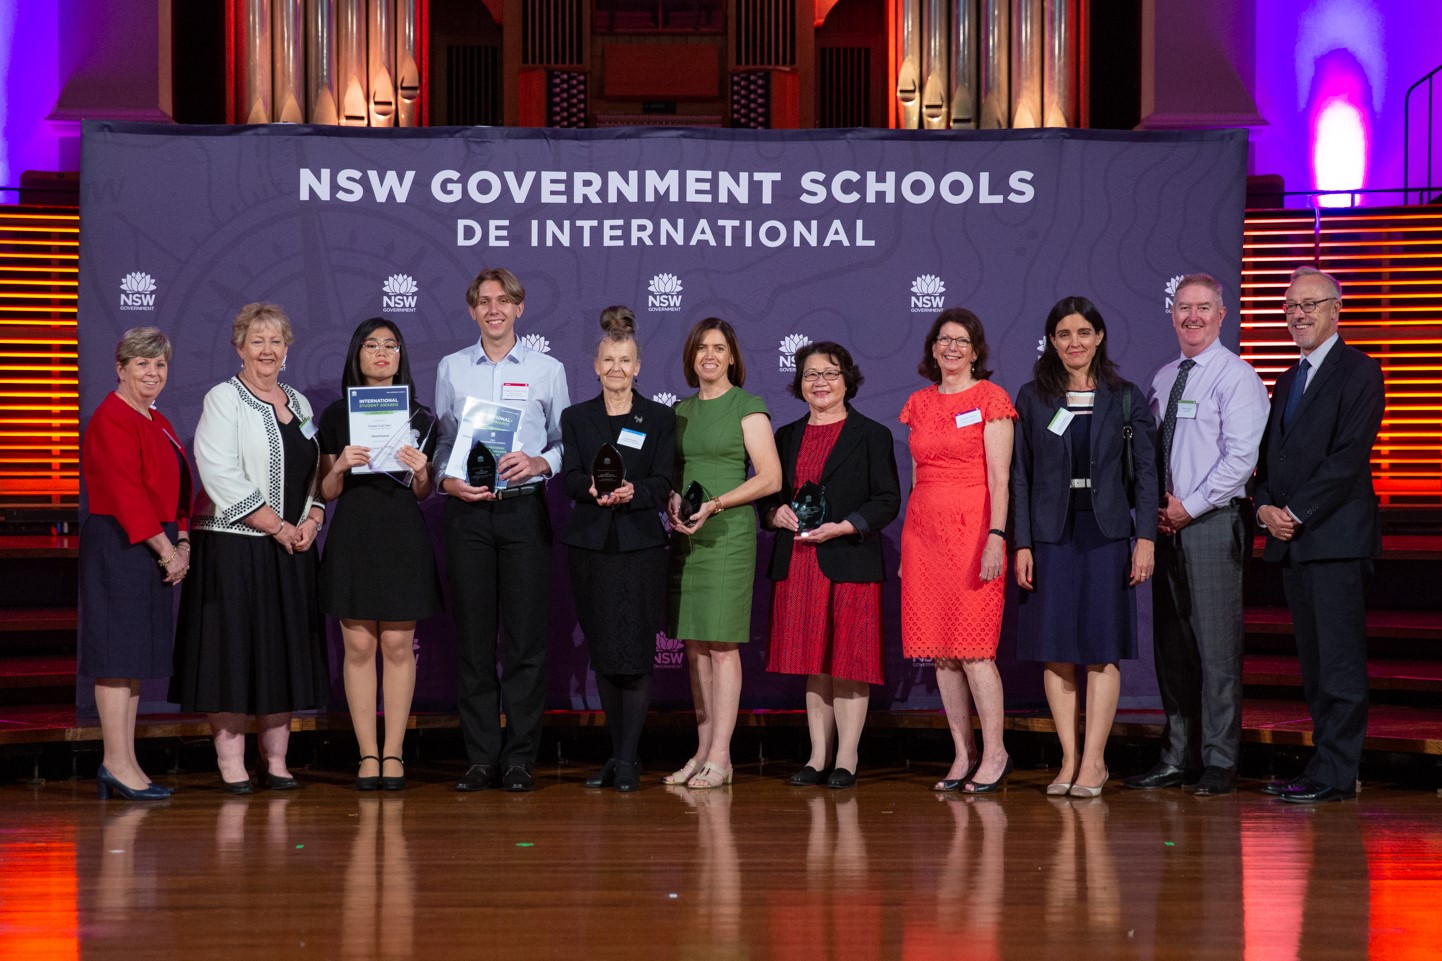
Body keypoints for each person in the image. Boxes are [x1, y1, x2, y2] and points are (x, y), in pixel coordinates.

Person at [172, 302, 329, 794]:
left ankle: (277, 760)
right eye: (256, 340)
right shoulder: (224, 398)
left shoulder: (300, 404)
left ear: (288, 348)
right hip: (234, 548)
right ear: (239, 347)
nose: (267, 349)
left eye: (275, 340)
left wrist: (312, 520)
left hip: (290, 550)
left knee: (281, 653)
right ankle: (232, 762)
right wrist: (277, 527)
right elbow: (219, 472)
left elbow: (315, 476)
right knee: (232, 654)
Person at [1125, 274, 1268, 797]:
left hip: (1210, 524)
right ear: (1171, 313)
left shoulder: (1237, 377)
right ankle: (1177, 755)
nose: (1192, 317)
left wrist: (1190, 507)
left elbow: (1241, 459)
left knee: (1217, 649)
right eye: (1183, 307)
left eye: (1203, 308)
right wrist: (1158, 510)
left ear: (1222, 314)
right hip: (1166, 528)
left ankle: (1220, 760)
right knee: (1173, 647)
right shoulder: (1164, 378)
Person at [1012, 296, 1158, 798]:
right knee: (1056, 653)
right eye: (1063, 334)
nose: (1074, 343)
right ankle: (1068, 759)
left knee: (1101, 651)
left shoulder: (1125, 397)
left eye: (1083, 333)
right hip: (1051, 536)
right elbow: (1020, 478)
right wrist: (1022, 543)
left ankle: (1095, 761)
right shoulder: (1032, 397)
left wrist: (1145, 538)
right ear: (1052, 342)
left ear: (1098, 338)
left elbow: (1146, 476)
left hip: (1107, 534)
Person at [434, 267, 570, 793]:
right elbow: (443, 443)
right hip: (467, 515)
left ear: (519, 308)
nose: (493, 309)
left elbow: (563, 441)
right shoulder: (451, 367)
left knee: (525, 642)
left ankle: (519, 759)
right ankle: (480, 758)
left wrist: (540, 465)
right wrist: (447, 480)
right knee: (472, 642)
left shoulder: (547, 369)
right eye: (483, 301)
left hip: (522, 513)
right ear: (472, 311)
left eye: (503, 300)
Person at [1254, 266, 1384, 804]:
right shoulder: (1287, 378)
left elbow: (1347, 459)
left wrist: (1296, 511)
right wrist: (1264, 507)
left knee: (1340, 665)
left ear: (1336, 310)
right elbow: (1267, 458)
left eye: (1310, 304)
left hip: (1334, 541)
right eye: (1291, 307)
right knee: (1313, 664)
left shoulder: (1360, 372)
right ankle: (1322, 765)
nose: (1299, 315)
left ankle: (1336, 773)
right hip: (1292, 542)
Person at [762, 342, 900, 789]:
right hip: (799, 562)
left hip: (850, 560)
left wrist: (845, 526)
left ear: (848, 380)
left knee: (850, 661)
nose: (820, 382)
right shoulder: (785, 436)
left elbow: (887, 500)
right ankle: (817, 757)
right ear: (799, 384)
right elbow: (767, 495)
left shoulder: (871, 434)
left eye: (830, 373)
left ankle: (847, 759)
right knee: (814, 662)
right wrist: (773, 513)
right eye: (810, 375)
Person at [317, 317, 442, 791]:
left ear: (400, 356)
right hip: (353, 533)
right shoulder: (334, 415)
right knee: (359, 645)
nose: (382, 352)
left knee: (395, 645)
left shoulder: (421, 415)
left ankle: (395, 753)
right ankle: (367, 754)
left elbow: (423, 492)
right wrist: (343, 465)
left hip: (401, 534)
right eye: (372, 345)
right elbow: (326, 491)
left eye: (391, 345)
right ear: (358, 354)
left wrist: (422, 470)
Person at [899, 309, 1016, 793]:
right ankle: (962, 754)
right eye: (943, 339)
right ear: (932, 348)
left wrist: (996, 536)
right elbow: (914, 477)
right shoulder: (918, 403)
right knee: (943, 655)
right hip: (923, 536)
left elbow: (1000, 479)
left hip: (973, 535)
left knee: (973, 650)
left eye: (961, 340)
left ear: (976, 350)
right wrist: (908, 548)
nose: (951, 347)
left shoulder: (991, 399)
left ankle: (995, 753)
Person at [560, 306, 676, 793]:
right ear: (595, 365)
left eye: (624, 360)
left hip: (640, 547)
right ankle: (617, 753)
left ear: (637, 366)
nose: (615, 368)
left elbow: (664, 479)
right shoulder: (577, 417)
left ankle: (628, 760)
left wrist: (635, 493)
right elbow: (566, 477)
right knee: (605, 654)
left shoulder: (659, 417)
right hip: (590, 546)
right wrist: (589, 488)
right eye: (608, 360)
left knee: (635, 652)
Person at [663, 317, 782, 790]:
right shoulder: (680, 410)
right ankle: (702, 750)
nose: (709, 356)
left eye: (718, 348)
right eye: (700, 349)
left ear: (732, 356)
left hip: (728, 534)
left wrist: (716, 504)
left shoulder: (747, 406)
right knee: (693, 645)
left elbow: (769, 478)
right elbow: (675, 470)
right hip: (687, 535)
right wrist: (675, 500)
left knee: (722, 645)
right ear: (691, 358)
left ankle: (722, 756)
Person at [80, 327, 192, 800]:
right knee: (115, 658)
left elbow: (181, 486)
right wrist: (167, 550)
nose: (153, 372)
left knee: (131, 661)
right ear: (121, 367)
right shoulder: (111, 418)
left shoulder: (158, 419)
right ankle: (114, 761)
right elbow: (127, 496)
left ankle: (126, 762)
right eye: (143, 363)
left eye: (160, 364)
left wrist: (182, 539)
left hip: (155, 541)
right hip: (121, 544)